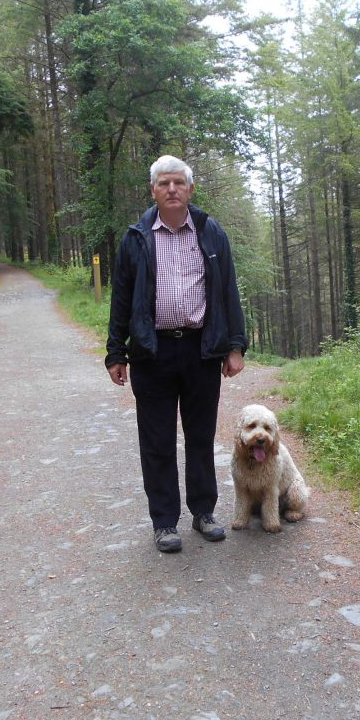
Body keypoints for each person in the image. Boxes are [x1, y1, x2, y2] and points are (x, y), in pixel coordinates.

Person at [106, 155, 247, 553]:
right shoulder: (136, 238)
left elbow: (227, 291)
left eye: (178, 183)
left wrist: (235, 345)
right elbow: (121, 300)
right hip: (152, 352)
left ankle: (203, 513)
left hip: (201, 350)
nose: (172, 189)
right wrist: (116, 352)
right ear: (153, 189)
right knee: (157, 441)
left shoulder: (210, 232)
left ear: (190, 189)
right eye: (164, 183)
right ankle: (164, 522)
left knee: (201, 437)